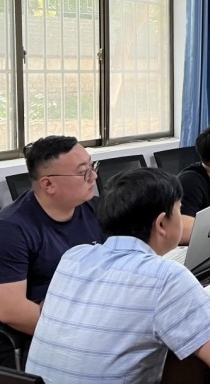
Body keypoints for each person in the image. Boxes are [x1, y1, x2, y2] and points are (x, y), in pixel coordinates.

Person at [26, 168, 210, 382]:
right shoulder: (166, 277)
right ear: (161, 223)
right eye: (179, 211)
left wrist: (195, 312)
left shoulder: (73, 257)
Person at [0, 136, 103, 362]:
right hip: (48, 338)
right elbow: (10, 309)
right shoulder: (11, 229)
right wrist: (78, 335)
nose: (94, 177)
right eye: (83, 172)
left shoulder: (93, 207)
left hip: (94, 315)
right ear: (48, 184)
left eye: (92, 166)